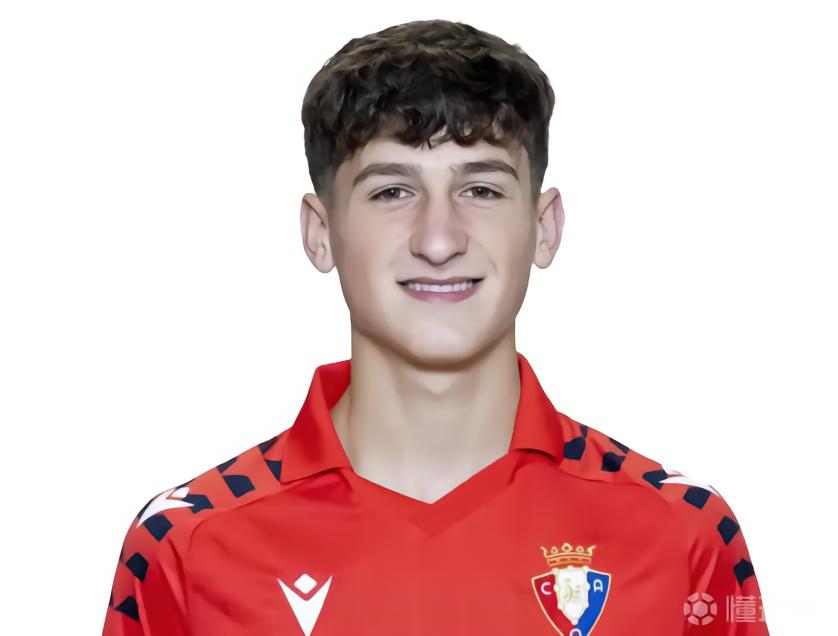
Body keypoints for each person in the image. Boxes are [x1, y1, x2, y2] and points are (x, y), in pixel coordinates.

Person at [102, 18, 769, 635]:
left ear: (544, 228)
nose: (440, 239)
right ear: (319, 233)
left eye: (481, 189)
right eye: (392, 191)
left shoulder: (684, 534)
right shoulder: (185, 547)